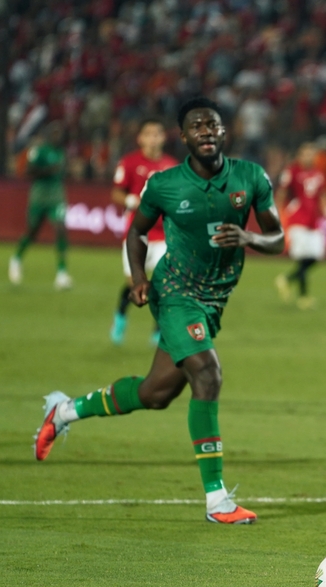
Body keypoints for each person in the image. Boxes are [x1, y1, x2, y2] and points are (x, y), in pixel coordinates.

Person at [34, 97, 285, 524]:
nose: (206, 131)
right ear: (183, 137)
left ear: (224, 132)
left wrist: (248, 238)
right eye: (196, 126)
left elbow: (276, 238)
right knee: (207, 374)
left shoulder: (251, 176)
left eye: (213, 124)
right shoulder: (164, 184)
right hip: (174, 291)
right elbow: (136, 233)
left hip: (214, 300)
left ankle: (64, 411)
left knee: (155, 393)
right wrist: (138, 278)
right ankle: (217, 500)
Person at [109, 118, 179, 345]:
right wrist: (132, 200)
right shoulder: (129, 162)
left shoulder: (172, 166)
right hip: (137, 233)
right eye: (148, 134)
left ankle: (158, 332)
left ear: (163, 138)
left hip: (164, 236)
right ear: (140, 138)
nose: (153, 139)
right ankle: (121, 316)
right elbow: (116, 193)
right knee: (135, 285)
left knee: (164, 284)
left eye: (157, 134)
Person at [9, 121, 71, 290]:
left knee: (60, 229)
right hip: (39, 195)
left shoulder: (61, 152)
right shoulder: (39, 151)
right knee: (32, 231)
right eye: (55, 133)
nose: (58, 136)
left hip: (56, 196)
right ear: (49, 135)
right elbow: (29, 171)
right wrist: (49, 170)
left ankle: (62, 273)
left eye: (60, 133)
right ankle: (16, 258)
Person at [274, 141, 326, 309]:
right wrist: (277, 212)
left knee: (316, 256)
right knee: (304, 258)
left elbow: (323, 194)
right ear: (299, 155)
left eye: (311, 154)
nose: (309, 157)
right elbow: (282, 192)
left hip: (313, 221)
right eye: (306, 153)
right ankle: (303, 297)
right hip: (297, 218)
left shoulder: (318, 173)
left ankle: (287, 279)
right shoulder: (292, 171)